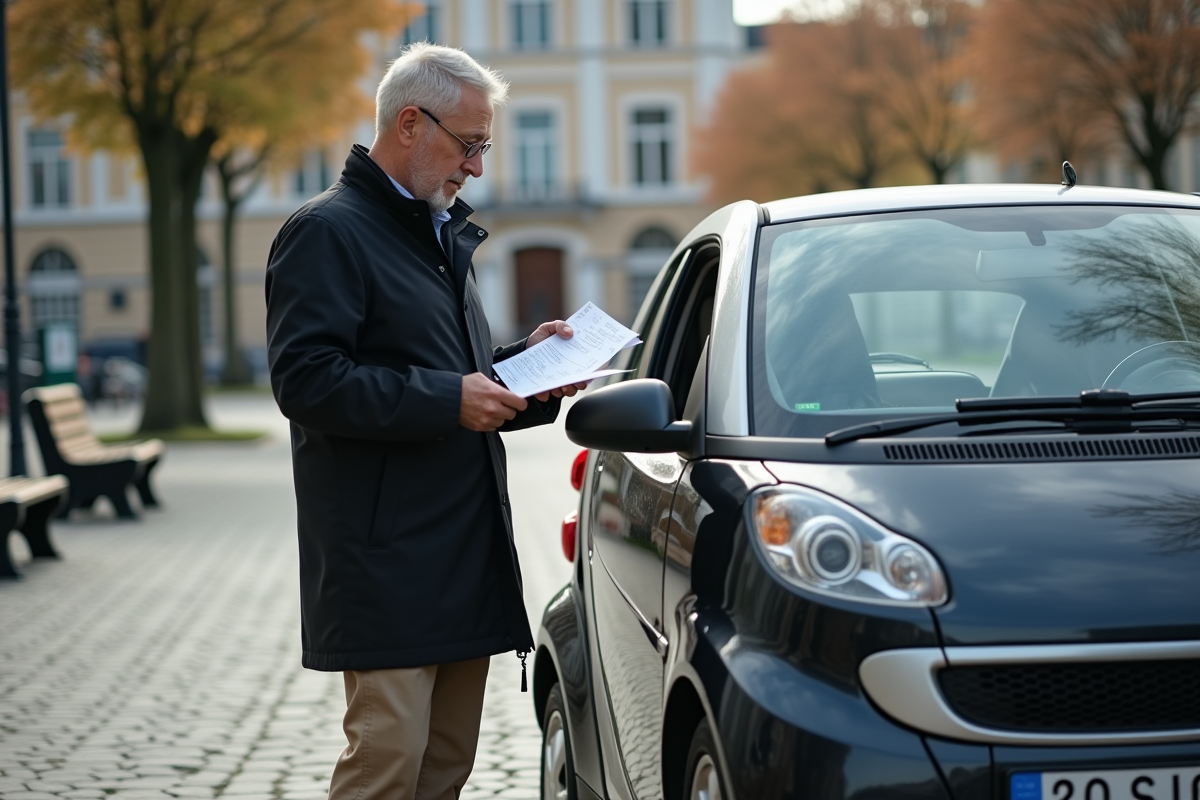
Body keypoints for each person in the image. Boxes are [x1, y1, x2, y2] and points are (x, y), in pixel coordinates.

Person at [264, 43, 584, 800]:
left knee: (443, 769)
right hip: (387, 564)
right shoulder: (327, 231)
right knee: (388, 767)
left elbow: (450, 376)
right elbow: (307, 381)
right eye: (469, 144)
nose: (476, 166)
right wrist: (452, 397)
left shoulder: (438, 231)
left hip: (462, 553)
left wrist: (524, 375)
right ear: (410, 122)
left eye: (484, 147)